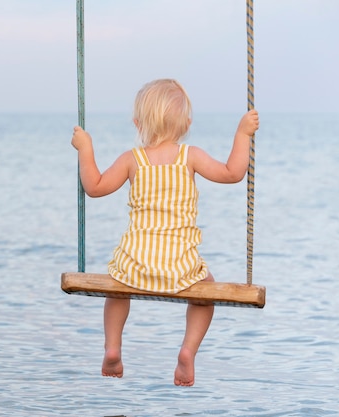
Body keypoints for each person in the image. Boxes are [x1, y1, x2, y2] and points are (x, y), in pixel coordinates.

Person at [71, 78, 259, 386]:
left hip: (136, 262)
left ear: (137, 122)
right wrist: (242, 133)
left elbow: (94, 186)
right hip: (180, 264)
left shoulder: (132, 159)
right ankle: (187, 351)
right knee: (204, 293)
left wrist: (85, 148)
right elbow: (232, 173)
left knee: (117, 288)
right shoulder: (191, 156)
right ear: (186, 123)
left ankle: (113, 346)